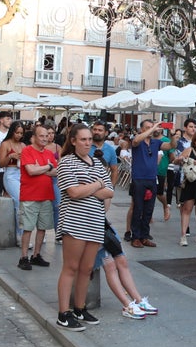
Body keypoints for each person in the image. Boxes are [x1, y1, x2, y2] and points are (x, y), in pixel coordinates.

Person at [55, 124, 114, 330]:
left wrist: (86, 188)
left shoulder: (97, 162)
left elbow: (110, 191)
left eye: (89, 139)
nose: (88, 143)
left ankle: (79, 308)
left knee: (87, 268)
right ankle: (63, 313)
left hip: (95, 222)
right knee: (70, 267)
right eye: (83, 139)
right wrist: (97, 185)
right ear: (73, 141)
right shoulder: (66, 162)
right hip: (74, 222)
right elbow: (73, 192)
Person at [92, 221, 158, 319]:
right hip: (91, 230)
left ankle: (138, 300)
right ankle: (127, 304)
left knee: (122, 261)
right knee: (110, 266)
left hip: (103, 227)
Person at [18, 123, 57, 270]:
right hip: (30, 195)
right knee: (28, 228)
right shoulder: (27, 151)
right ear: (33, 137)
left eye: (47, 136)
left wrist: (39, 169)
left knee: (43, 228)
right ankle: (23, 257)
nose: (45, 138)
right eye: (41, 136)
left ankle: (36, 255)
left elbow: (56, 171)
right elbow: (30, 171)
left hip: (46, 195)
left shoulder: (49, 153)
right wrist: (48, 167)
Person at [129, 119, 168, 248]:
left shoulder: (156, 142)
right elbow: (135, 141)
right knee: (138, 208)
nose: (152, 129)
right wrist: (153, 128)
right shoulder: (137, 140)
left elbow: (170, 146)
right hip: (138, 179)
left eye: (152, 127)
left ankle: (144, 236)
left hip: (151, 179)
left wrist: (174, 137)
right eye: (148, 127)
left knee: (148, 210)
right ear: (142, 129)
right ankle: (135, 237)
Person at [0, 121, 26, 237]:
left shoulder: (23, 145)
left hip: (22, 173)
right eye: (17, 133)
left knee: (24, 201)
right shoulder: (5, 144)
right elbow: (1, 164)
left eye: (21, 133)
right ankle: (20, 234)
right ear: (12, 132)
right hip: (10, 173)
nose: (19, 135)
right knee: (19, 200)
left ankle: (22, 233)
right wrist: (10, 156)